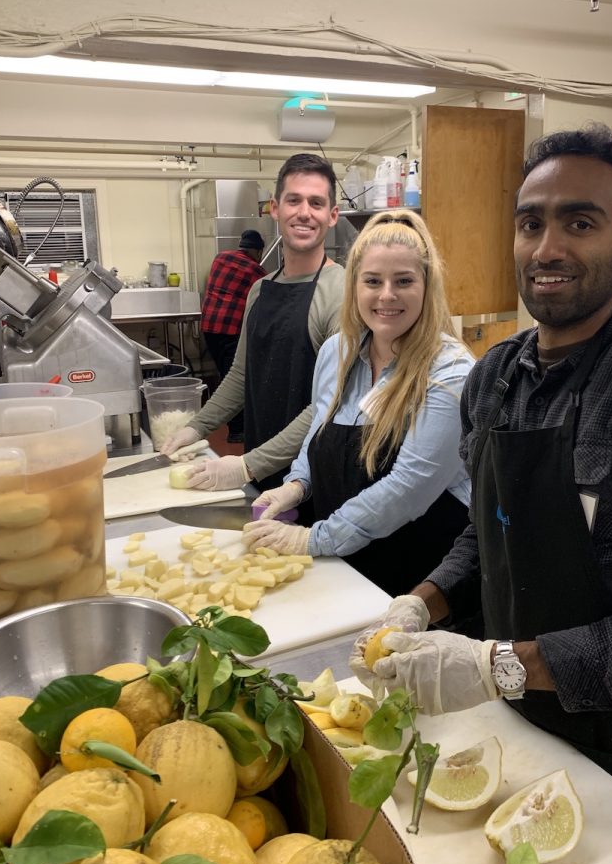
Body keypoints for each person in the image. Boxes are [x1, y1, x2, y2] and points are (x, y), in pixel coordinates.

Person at [352, 125, 612, 835]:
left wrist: (506, 667)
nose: (547, 249)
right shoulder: (495, 376)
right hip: (506, 720)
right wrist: (420, 605)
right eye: (531, 223)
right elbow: (487, 526)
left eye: (580, 222)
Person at [242, 210, 474, 596]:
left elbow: (408, 487)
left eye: (403, 281)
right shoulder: (338, 351)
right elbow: (319, 430)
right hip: (347, 565)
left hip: (421, 577)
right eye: (372, 281)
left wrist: (311, 540)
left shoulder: (451, 371)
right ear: (354, 287)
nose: (387, 295)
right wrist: (296, 485)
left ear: (426, 286)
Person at [160, 154, 345, 491]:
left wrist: (248, 465)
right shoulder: (260, 289)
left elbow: (330, 403)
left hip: (315, 476)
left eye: (316, 203)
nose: (304, 212)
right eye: (294, 200)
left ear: (332, 215)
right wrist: (196, 428)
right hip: (261, 467)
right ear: (274, 208)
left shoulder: (342, 292)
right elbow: (242, 375)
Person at [200, 229, 266, 443]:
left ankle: (229, 423)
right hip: (230, 330)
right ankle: (237, 431)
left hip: (209, 326)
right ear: (257, 251)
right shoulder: (256, 271)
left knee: (224, 373)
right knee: (236, 378)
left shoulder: (220, 258)